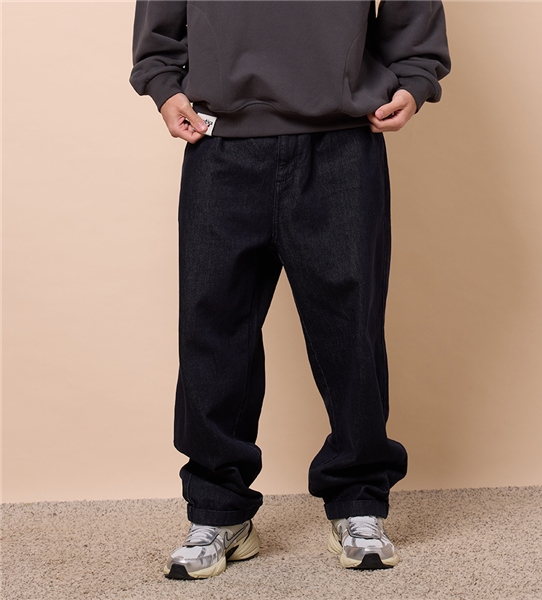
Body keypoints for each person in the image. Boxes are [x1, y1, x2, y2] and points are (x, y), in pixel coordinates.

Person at [130, 0, 450, 579]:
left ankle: (358, 502)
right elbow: (159, 24)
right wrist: (162, 83)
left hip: (342, 143)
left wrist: (415, 76)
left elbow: (413, 12)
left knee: (350, 330)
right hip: (220, 144)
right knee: (211, 330)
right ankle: (219, 511)